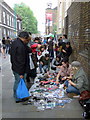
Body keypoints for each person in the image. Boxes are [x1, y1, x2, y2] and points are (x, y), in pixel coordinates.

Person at [10, 31, 32, 103]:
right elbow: (21, 61)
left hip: (15, 66)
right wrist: (21, 73)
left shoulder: (15, 43)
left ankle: (19, 96)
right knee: (19, 82)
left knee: (18, 82)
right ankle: (18, 97)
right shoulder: (21, 46)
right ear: (24, 38)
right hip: (20, 68)